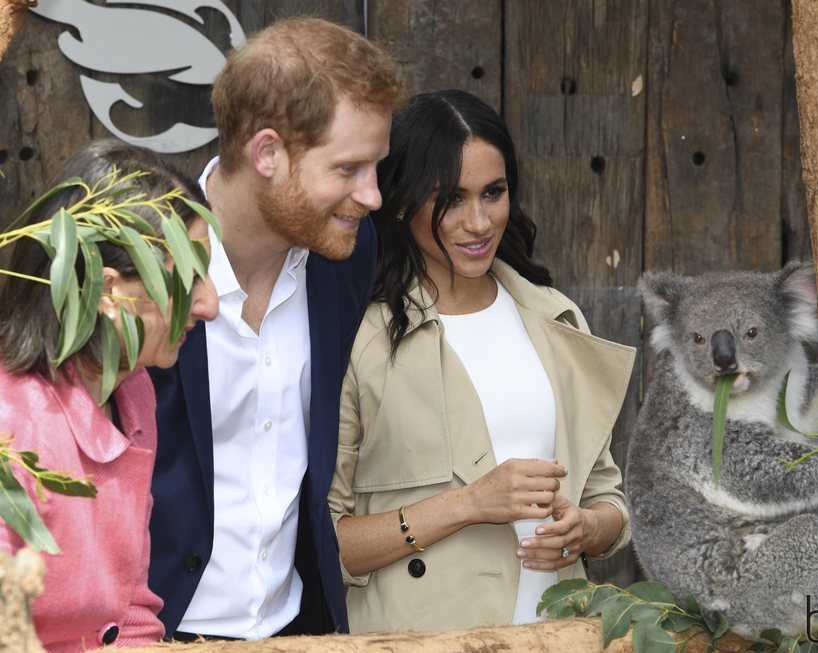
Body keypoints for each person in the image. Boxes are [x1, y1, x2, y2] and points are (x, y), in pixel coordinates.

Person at [327, 89, 637, 632]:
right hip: (420, 639)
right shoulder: (363, 342)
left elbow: (608, 501)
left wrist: (586, 529)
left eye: (493, 193)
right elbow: (325, 545)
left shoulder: (555, 319)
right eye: (451, 199)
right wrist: (467, 504)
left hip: (554, 633)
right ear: (402, 202)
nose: (479, 221)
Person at [147, 17, 405, 640]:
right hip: (152, 632)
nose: (372, 196)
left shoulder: (347, 251)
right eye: (348, 169)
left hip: (300, 625)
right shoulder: (140, 261)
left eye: (376, 168)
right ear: (267, 153)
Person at [0, 139, 218, 652]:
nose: (208, 304)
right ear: (109, 291)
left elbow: (129, 610)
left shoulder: (133, 392)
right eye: (186, 280)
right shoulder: (15, 421)